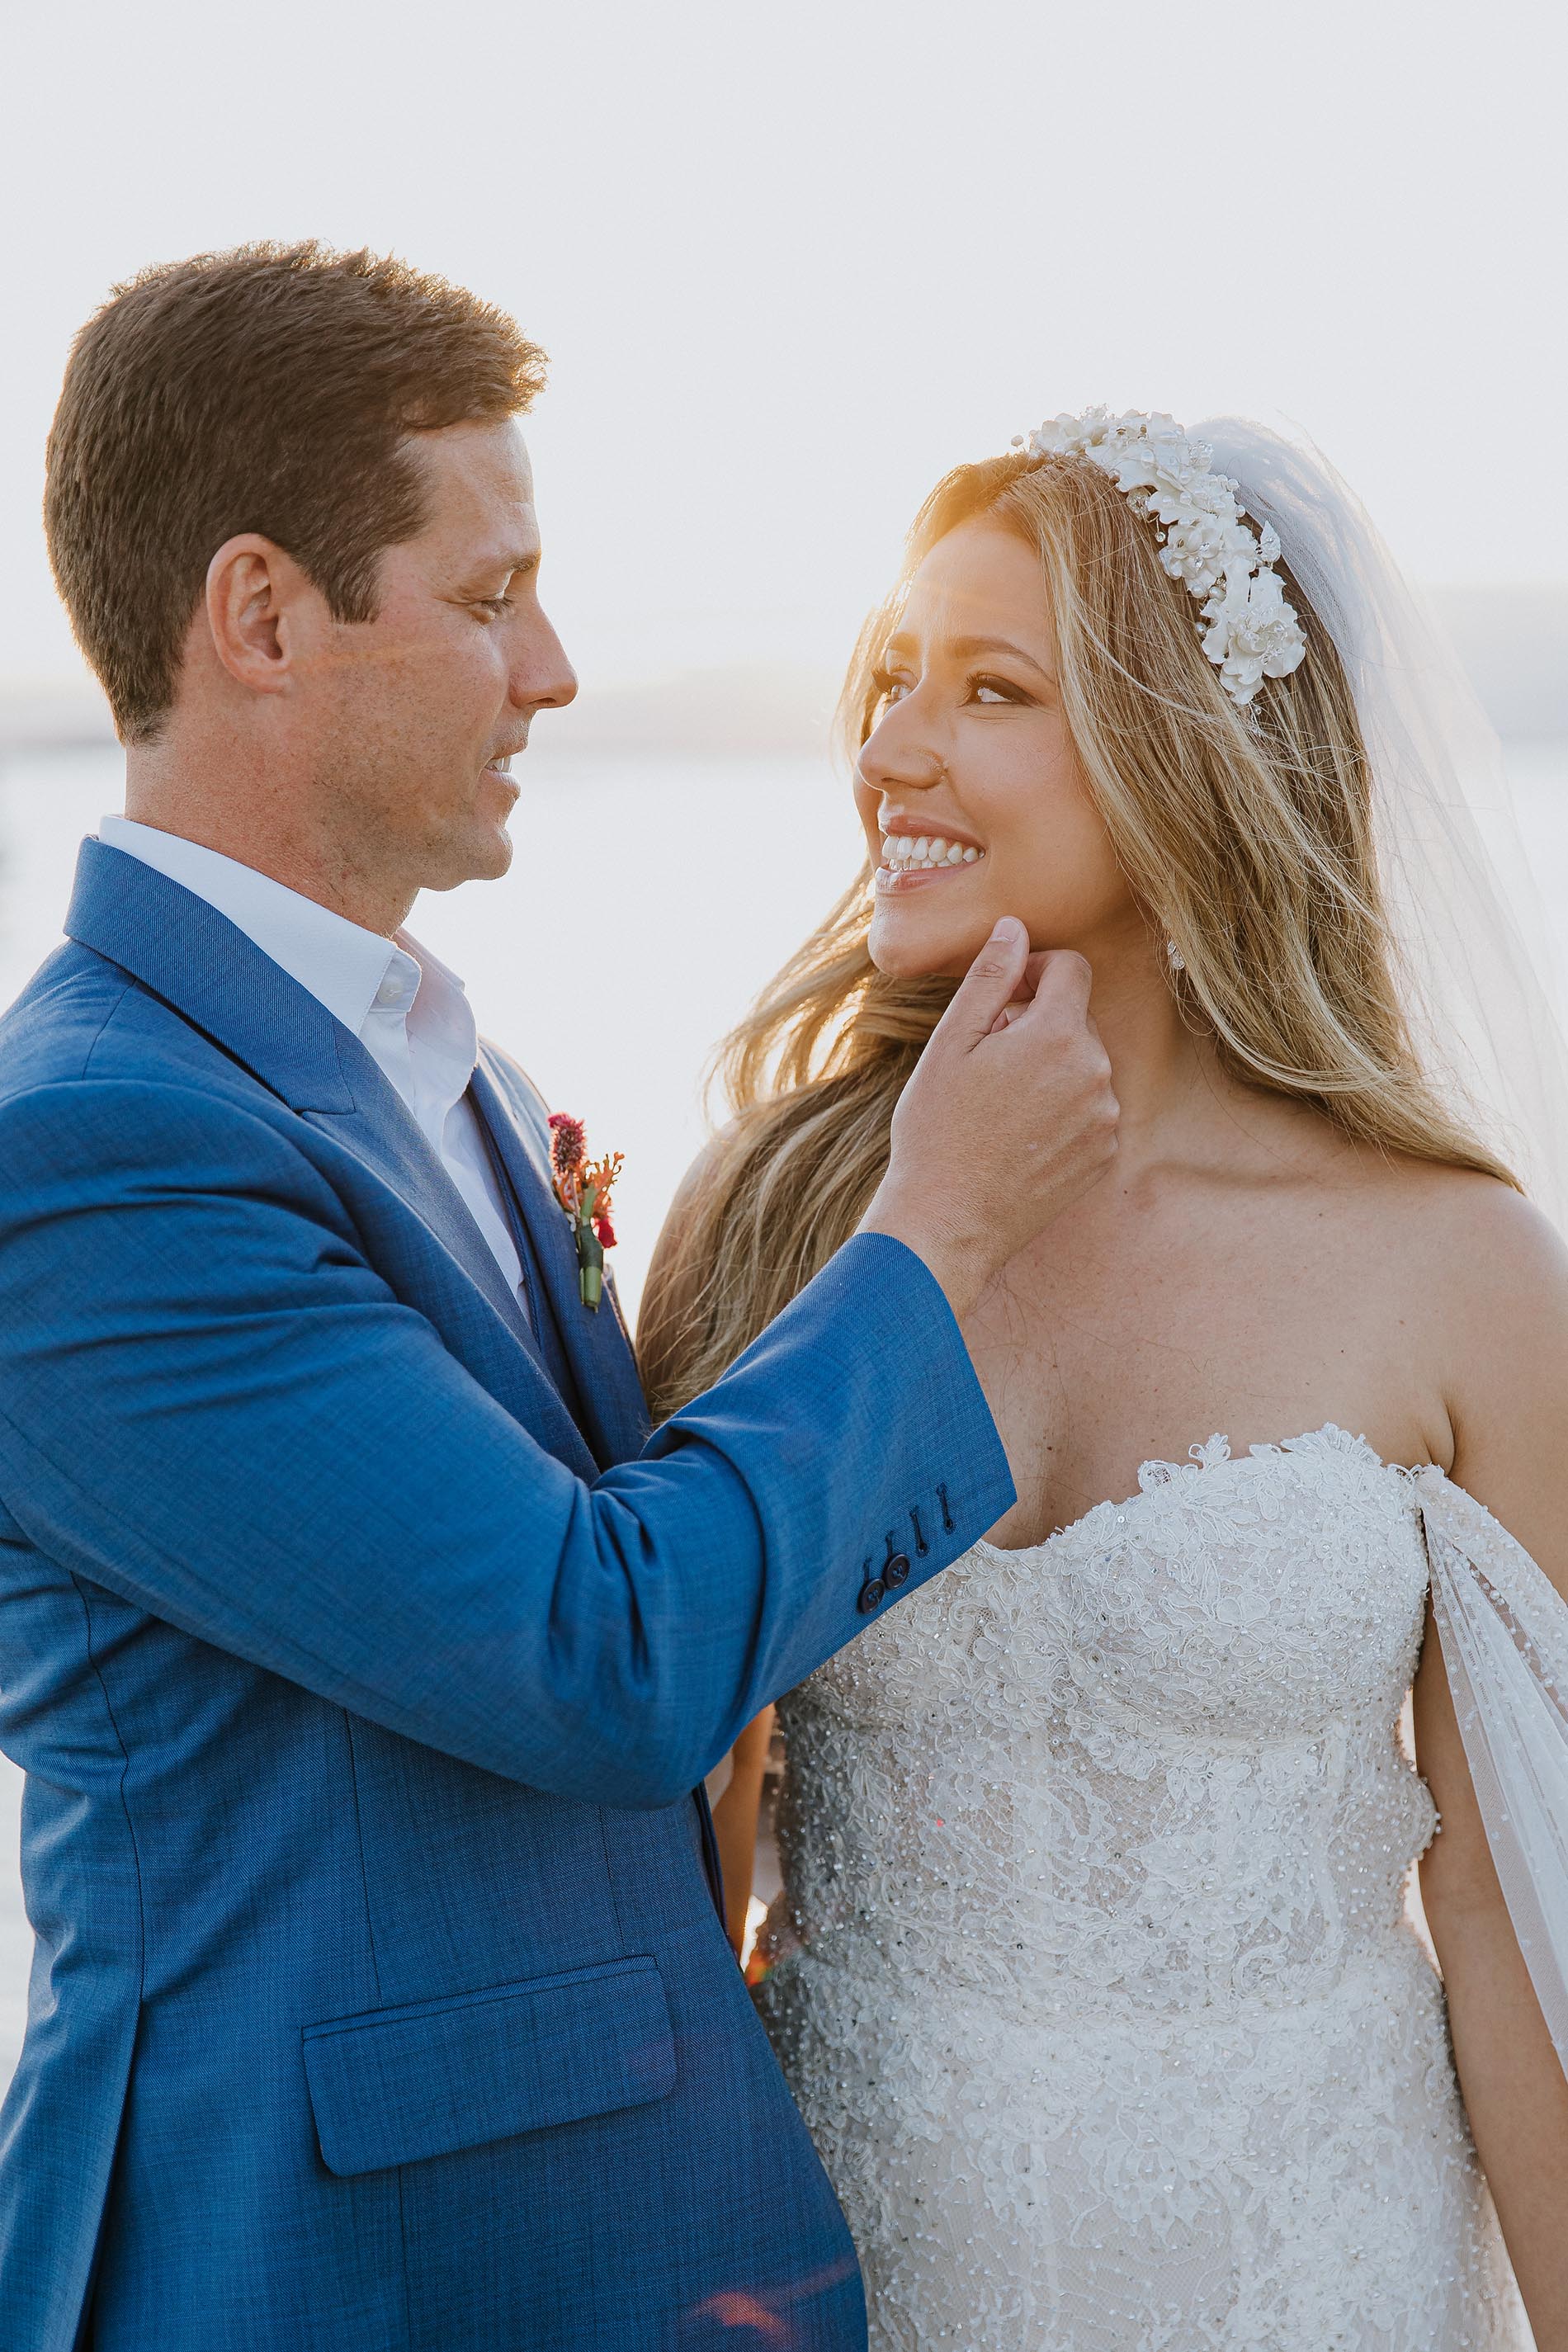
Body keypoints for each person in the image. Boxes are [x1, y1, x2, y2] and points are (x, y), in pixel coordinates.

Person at [0, 247, 1120, 2352]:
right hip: (328, 2278)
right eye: (491, 593)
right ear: (261, 616)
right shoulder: (88, 1151)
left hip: (647, 2238)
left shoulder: (451, 1076)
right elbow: (593, 1653)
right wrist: (937, 1238)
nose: (556, 671)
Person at [640, 411, 1568, 2349]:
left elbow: (1508, 1926)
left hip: (1316, 2277)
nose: (891, 746)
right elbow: (672, 1856)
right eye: (889, 679)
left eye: (987, 691)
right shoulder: (772, 1218)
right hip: (858, 2270)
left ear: (1184, 762)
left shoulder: (1455, 1264)